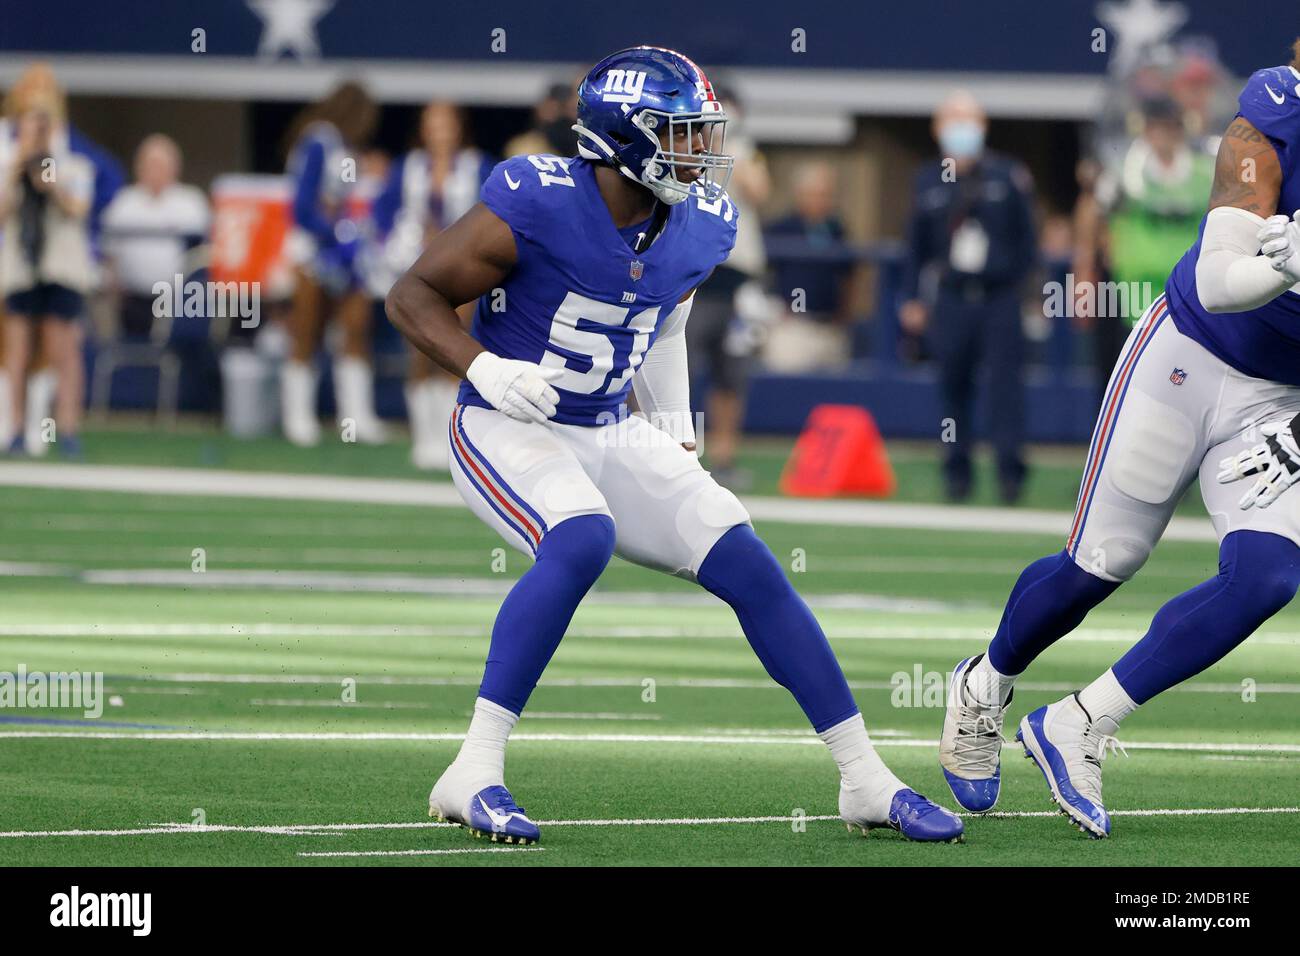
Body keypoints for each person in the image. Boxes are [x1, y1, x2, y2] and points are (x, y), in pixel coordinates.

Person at [386, 46, 963, 846]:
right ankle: (473, 769)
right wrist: (486, 368)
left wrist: (673, 415)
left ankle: (864, 778)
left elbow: (666, 317)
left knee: (745, 557)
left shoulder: (702, 222)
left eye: (702, 133)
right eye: (683, 134)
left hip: (604, 425)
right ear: (625, 139)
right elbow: (411, 293)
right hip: (502, 423)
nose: (701, 151)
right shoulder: (540, 199)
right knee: (582, 535)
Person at [937, 44, 1300, 838]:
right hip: (1191, 353)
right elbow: (1216, 280)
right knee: (1102, 563)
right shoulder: (1272, 115)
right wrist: (1287, 270)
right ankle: (983, 684)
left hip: (1280, 399)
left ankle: (1081, 721)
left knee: (1268, 575)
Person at [900, 91, 1038, 503]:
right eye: (953, 120)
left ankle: (1010, 475)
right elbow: (915, 248)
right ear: (938, 129)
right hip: (952, 297)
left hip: (998, 297)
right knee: (952, 386)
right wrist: (912, 299)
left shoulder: (1008, 175)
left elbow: (1027, 241)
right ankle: (956, 473)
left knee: (1005, 388)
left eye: (969, 120)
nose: (962, 129)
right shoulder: (927, 180)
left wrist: (1025, 291)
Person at [370, 101, 494, 470]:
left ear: (459, 127)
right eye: (431, 123)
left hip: (466, 270)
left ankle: (449, 434)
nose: (438, 130)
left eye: (444, 123)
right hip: (417, 269)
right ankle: (423, 436)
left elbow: (494, 212)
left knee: (453, 345)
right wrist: (398, 242)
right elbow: (381, 216)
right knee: (420, 349)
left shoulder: (478, 166)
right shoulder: (406, 168)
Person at [280, 81, 384, 447]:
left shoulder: (342, 146)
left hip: (340, 248)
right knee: (307, 331)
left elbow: (340, 201)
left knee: (355, 328)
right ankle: (297, 418)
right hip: (311, 250)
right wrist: (333, 233)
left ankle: (355, 418)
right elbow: (302, 208)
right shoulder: (318, 140)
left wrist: (345, 235)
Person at [683, 86, 771, 489]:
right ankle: (675, 454)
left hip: (737, 279)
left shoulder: (744, 148)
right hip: (697, 274)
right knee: (679, 367)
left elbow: (759, 192)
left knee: (731, 374)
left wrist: (732, 143)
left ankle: (724, 457)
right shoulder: (685, 147)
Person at [0, 97, 95, 456]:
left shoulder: (73, 166)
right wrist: (16, 167)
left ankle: (67, 430)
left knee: (63, 352)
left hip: (60, 268)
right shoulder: (9, 165)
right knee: (17, 351)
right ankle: (16, 431)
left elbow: (76, 207)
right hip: (23, 269)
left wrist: (49, 177)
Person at [101, 134, 210, 337]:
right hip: (134, 299)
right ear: (138, 167)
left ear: (175, 167)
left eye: (161, 164)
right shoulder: (124, 202)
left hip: (182, 302)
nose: (155, 170)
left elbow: (204, 255)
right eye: (150, 164)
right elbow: (110, 254)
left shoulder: (191, 202)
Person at [762, 162, 854, 373]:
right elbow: (762, 275)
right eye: (815, 194)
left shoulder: (836, 228)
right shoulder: (781, 228)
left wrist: (844, 315)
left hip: (830, 327)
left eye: (826, 194)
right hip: (793, 327)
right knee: (789, 392)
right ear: (800, 194)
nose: (821, 200)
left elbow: (848, 276)